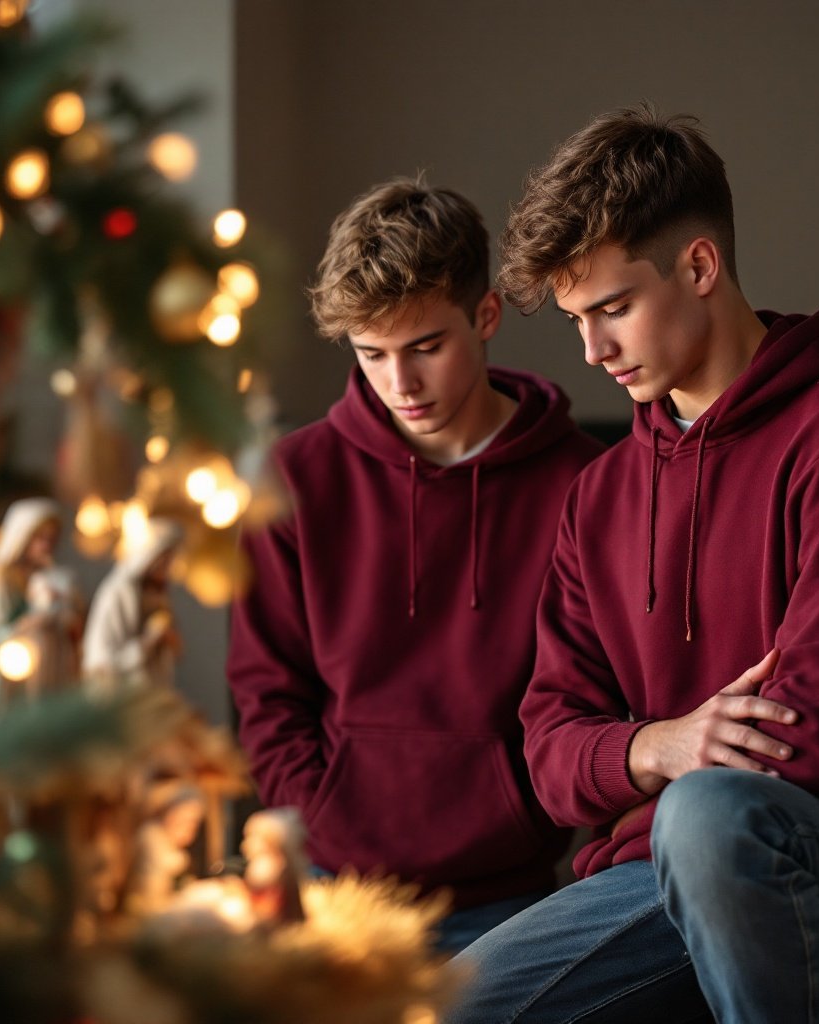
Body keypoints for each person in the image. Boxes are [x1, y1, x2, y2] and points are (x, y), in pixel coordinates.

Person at [445, 105, 819, 1023]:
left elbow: (809, 750)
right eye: (579, 319)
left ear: (699, 267)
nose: (592, 351)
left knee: (712, 816)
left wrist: (641, 768)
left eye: (613, 308)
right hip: (650, 881)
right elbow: (548, 749)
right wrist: (659, 742)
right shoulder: (602, 493)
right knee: (445, 1008)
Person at [225, 177, 604, 953]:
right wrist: (319, 816)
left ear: (486, 316)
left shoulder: (583, 482)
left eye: (426, 347)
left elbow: (599, 694)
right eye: (372, 355)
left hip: (513, 892)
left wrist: (533, 815)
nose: (401, 383)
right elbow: (266, 690)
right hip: (336, 887)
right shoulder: (294, 479)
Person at [0, 497, 82, 742]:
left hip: (52, 666)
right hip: (15, 674)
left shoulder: (52, 577)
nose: (46, 546)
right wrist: (32, 622)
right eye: (39, 537)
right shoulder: (0, 579)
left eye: (51, 539)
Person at [82, 517, 183, 694]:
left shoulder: (158, 595)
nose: (168, 567)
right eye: (164, 559)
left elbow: (173, 652)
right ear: (148, 555)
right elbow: (103, 662)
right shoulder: (118, 592)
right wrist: (149, 641)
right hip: (119, 696)